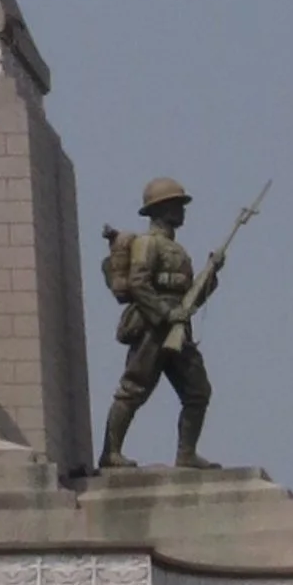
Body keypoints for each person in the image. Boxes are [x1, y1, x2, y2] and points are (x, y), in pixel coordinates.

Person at [98, 177, 214, 467]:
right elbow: (139, 284)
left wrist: (211, 275)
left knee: (198, 391)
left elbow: (189, 297)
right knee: (133, 388)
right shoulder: (147, 243)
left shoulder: (179, 251)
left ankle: (186, 454)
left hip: (178, 328)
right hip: (152, 326)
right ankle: (111, 453)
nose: (182, 210)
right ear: (161, 209)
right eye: (176, 205)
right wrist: (165, 313)